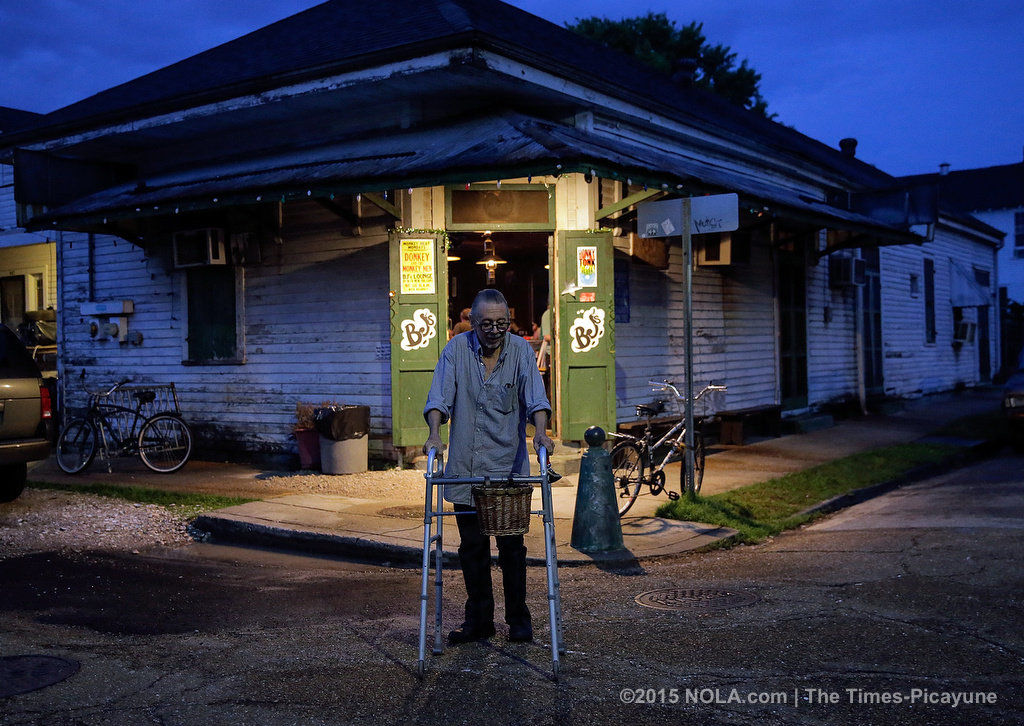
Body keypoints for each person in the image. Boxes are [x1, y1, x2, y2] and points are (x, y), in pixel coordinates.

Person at [423, 288, 555, 644]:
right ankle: (479, 620)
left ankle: (518, 621)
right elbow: (438, 396)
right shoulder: (455, 350)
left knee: (512, 549)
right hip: (466, 465)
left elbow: (536, 399)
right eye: (487, 324)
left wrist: (540, 433)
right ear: (473, 322)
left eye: (502, 323)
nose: (496, 330)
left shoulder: (522, 352)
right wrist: (435, 434)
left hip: (506, 470)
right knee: (472, 549)